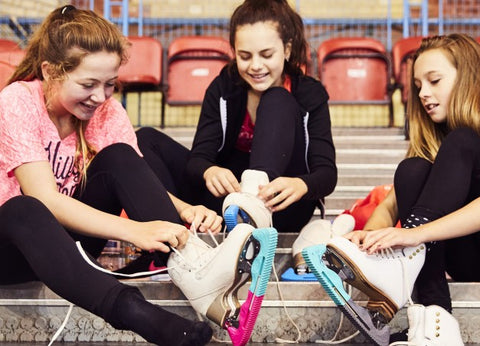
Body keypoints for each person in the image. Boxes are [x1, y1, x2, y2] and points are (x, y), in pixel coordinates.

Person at [0, 5, 278, 346]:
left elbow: (134, 175)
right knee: (23, 208)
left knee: (119, 155)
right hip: (15, 247)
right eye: (88, 84)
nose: (100, 96)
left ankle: (194, 268)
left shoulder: (106, 110)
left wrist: (183, 209)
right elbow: (45, 198)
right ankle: (143, 317)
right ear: (50, 71)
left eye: (110, 84)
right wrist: (135, 230)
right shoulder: (18, 101)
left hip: (71, 243)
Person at [305, 34, 478, 345]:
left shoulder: (465, 140)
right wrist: (367, 241)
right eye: (418, 85)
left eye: (434, 80)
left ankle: (408, 272)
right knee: (412, 170)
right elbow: (389, 206)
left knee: (463, 140)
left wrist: (413, 235)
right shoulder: (439, 142)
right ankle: (436, 320)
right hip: (459, 253)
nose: (424, 93)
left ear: (468, 78)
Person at [136, 0, 337, 234]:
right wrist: (209, 171)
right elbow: (198, 159)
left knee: (276, 98)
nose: (256, 66)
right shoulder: (223, 87)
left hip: (278, 206)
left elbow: (326, 173)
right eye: (245, 56)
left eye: (266, 55)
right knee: (145, 139)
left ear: (287, 50)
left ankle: (253, 211)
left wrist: (301, 184)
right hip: (227, 206)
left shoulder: (309, 94)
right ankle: (171, 238)